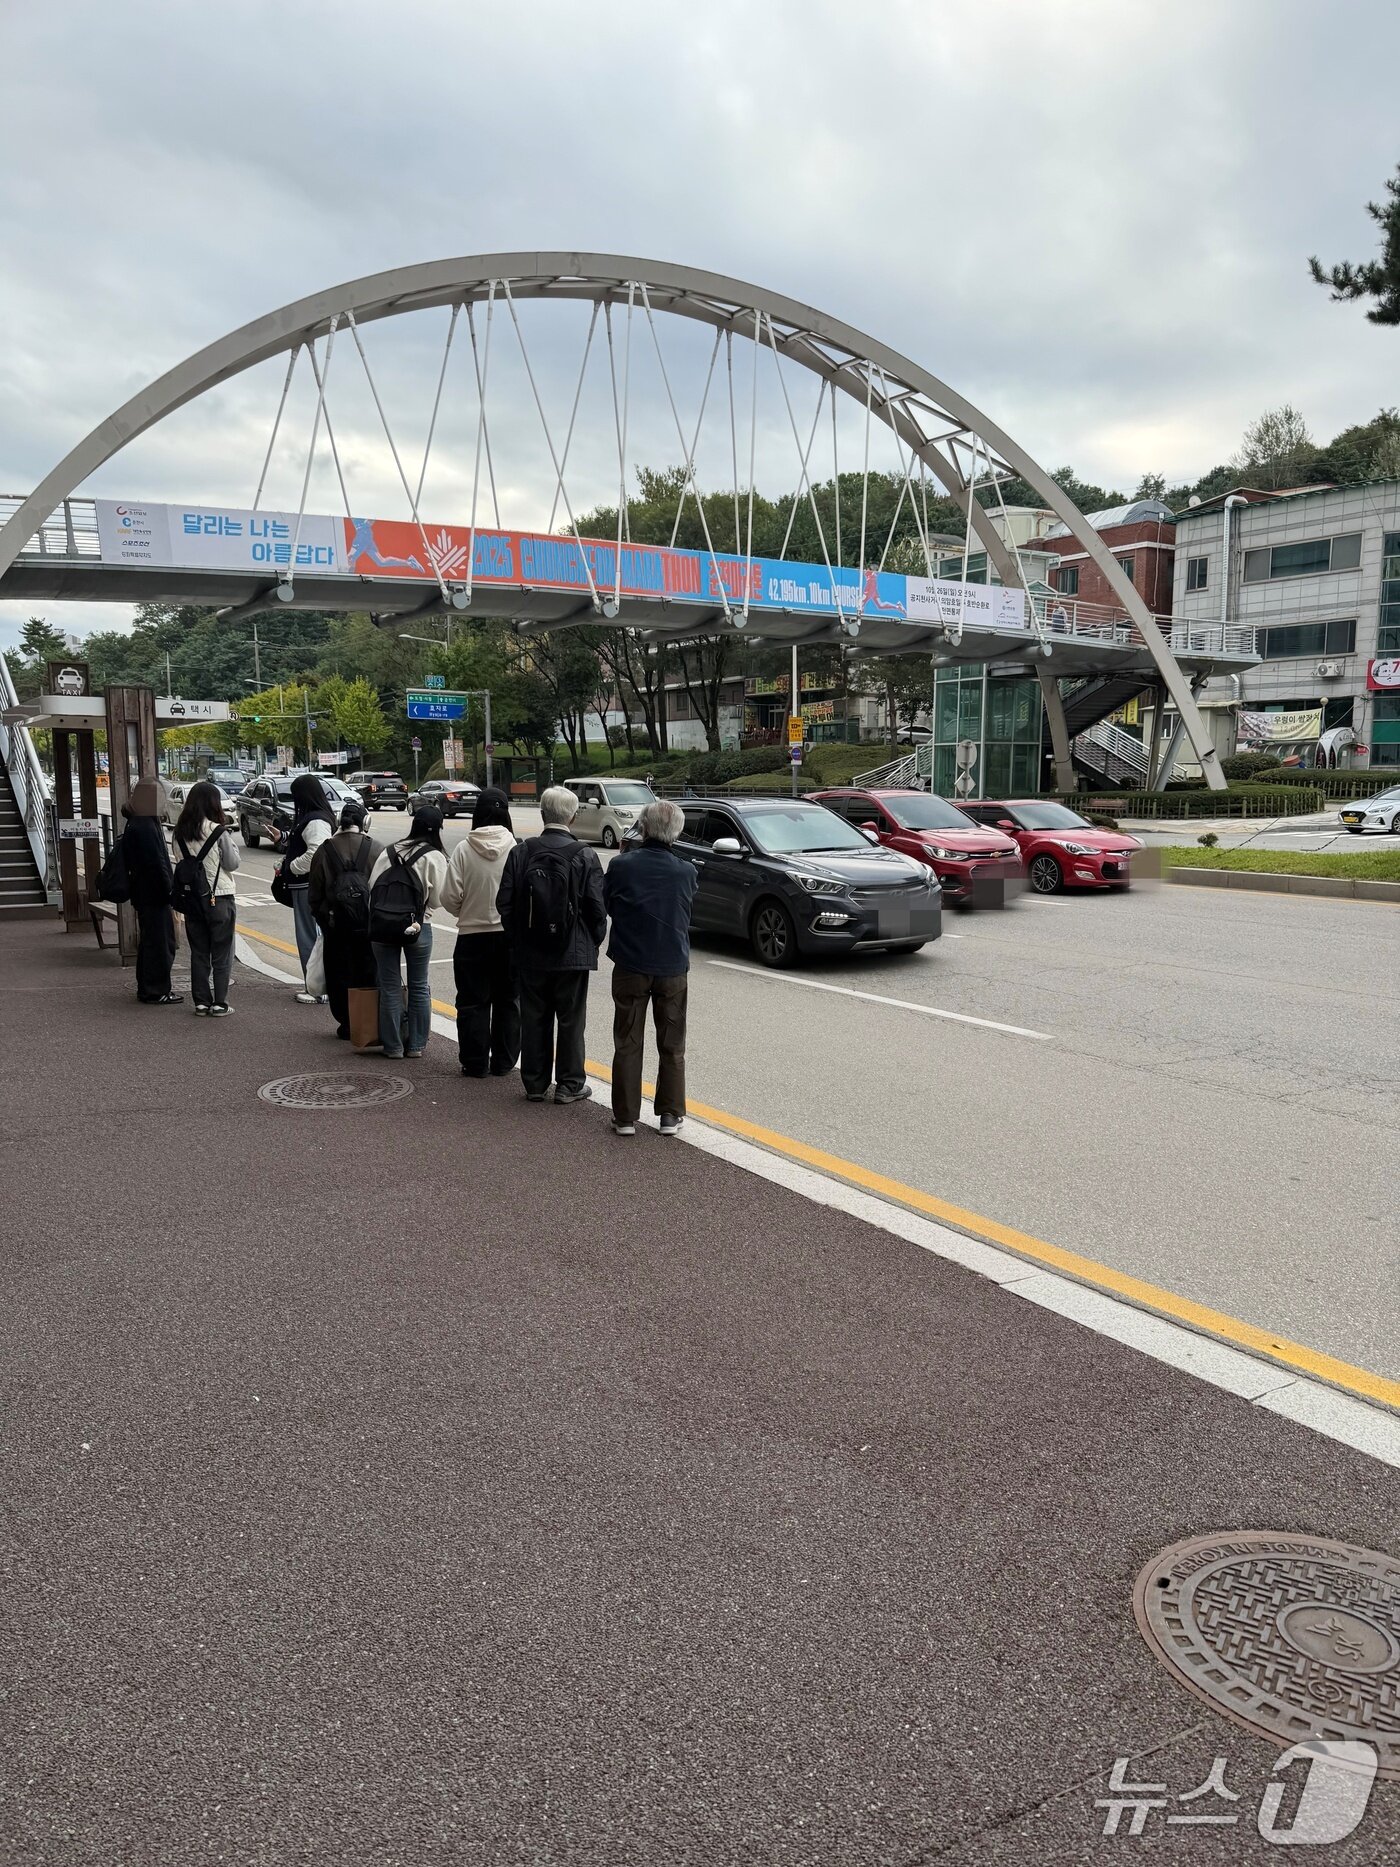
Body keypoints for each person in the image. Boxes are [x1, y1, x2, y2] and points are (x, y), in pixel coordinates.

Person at [497, 785, 607, 1105]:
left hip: (531, 951)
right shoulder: (585, 855)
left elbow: (505, 903)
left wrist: (519, 938)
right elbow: (597, 909)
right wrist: (592, 941)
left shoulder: (521, 852)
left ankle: (534, 1083)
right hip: (572, 952)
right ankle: (569, 1085)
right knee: (571, 1019)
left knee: (534, 1016)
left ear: (542, 813)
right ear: (573, 816)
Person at [601, 798, 697, 1136]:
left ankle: (625, 1117)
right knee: (672, 1042)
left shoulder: (621, 866)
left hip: (630, 961)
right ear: (677, 832)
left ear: (643, 827)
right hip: (672, 964)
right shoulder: (686, 871)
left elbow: (609, 904)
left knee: (627, 1040)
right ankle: (670, 1114)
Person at [439, 787, 520, 1078]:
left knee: (472, 1002)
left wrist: (465, 911)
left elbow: (448, 897)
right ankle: (504, 1061)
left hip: (472, 936)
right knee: (508, 1001)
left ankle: (475, 1063)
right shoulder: (516, 847)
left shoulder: (464, 848)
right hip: (509, 936)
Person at [368, 806, 447, 1059]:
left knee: (389, 986)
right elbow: (439, 899)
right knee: (419, 985)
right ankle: (416, 1045)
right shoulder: (434, 856)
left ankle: (393, 1047)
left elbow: (372, 886)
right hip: (418, 926)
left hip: (382, 926)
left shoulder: (389, 851)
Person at [308, 799, 380, 1040]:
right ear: (365, 822)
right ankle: (367, 1022)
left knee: (339, 974)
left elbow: (314, 896)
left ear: (339, 822)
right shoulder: (376, 849)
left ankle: (346, 1023)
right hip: (368, 927)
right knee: (368, 973)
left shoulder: (324, 851)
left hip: (335, 926)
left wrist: (325, 920)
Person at [173, 779, 240, 1016]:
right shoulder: (218, 831)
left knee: (199, 952)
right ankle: (220, 1003)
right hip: (219, 897)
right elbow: (232, 863)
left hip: (192, 900)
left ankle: (201, 1002)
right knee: (222, 953)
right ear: (213, 804)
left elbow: (180, 861)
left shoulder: (179, 833)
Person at [267, 773, 336, 1002]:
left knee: (309, 937)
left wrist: (292, 867)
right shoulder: (315, 817)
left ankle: (316, 989)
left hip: (308, 886)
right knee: (313, 935)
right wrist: (284, 837)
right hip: (309, 885)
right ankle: (319, 988)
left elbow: (316, 852)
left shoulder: (315, 820)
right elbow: (305, 841)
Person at [119, 776, 181, 1005]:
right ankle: (156, 990)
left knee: (151, 942)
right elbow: (157, 863)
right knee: (160, 944)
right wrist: (170, 891)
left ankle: (148, 988)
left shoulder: (136, 821)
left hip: (144, 892)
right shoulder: (145, 825)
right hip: (154, 894)